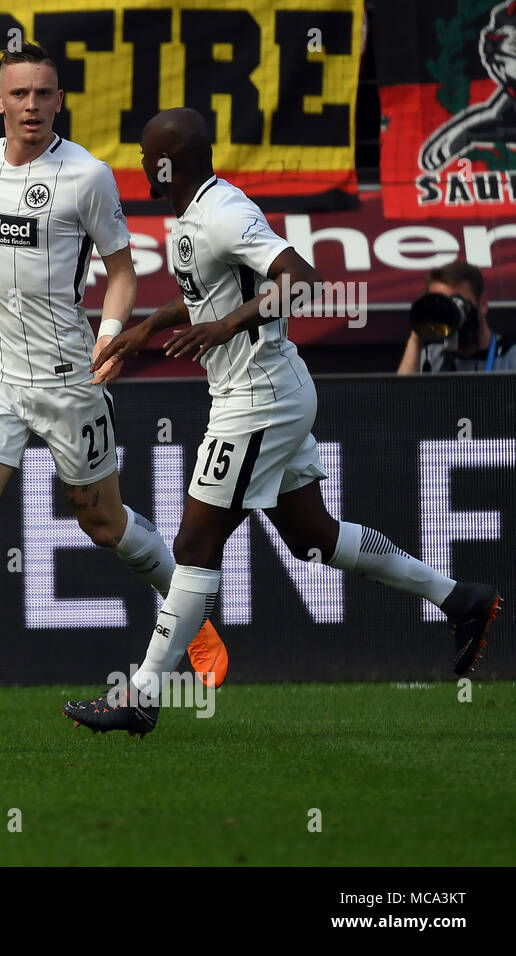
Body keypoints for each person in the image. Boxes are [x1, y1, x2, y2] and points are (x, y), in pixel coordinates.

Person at [77, 107, 502, 736]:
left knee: (194, 544)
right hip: (264, 390)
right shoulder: (196, 214)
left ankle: (141, 696)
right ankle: (461, 599)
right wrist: (152, 324)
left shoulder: (223, 211)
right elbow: (212, 289)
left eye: (145, 154)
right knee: (313, 537)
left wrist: (221, 328)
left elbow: (303, 279)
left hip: (259, 395)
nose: (140, 163)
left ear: (167, 163)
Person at [0, 45, 227, 738]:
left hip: (68, 374)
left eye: (44, 94)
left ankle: (194, 618)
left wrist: (113, 332)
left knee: (104, 526)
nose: (31, 105)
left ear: (60, 100)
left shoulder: (87, 177)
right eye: (19, 94)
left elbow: (122, 270)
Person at [396, 261, 516, 373]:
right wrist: (416, 340)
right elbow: (402, 394)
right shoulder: (431, 356)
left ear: (483, 304)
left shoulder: (510, 356)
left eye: (457, 303)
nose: (449, 313)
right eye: (442, 307)